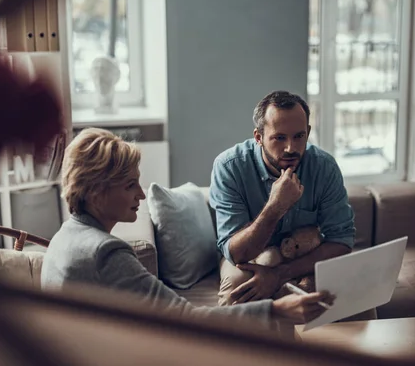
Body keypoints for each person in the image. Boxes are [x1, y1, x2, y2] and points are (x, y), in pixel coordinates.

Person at [41, 128, 332, 330]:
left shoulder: (64, 236)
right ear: (95, 193)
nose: (141, 196)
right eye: (130, 185)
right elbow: (187, 320)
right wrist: (278, 311)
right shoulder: (106, 253)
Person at [210, 91, 356, 308]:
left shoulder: (324, 167)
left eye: (299, 136)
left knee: (355, 293)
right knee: (238, 292)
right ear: (258, 137)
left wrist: (280, 274)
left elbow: (341, 241)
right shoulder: (229, 167)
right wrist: (275, 207)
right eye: (279, 138)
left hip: (305, 255)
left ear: (308, 132)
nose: (291, 148)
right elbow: (236, 253)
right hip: (249, 260)